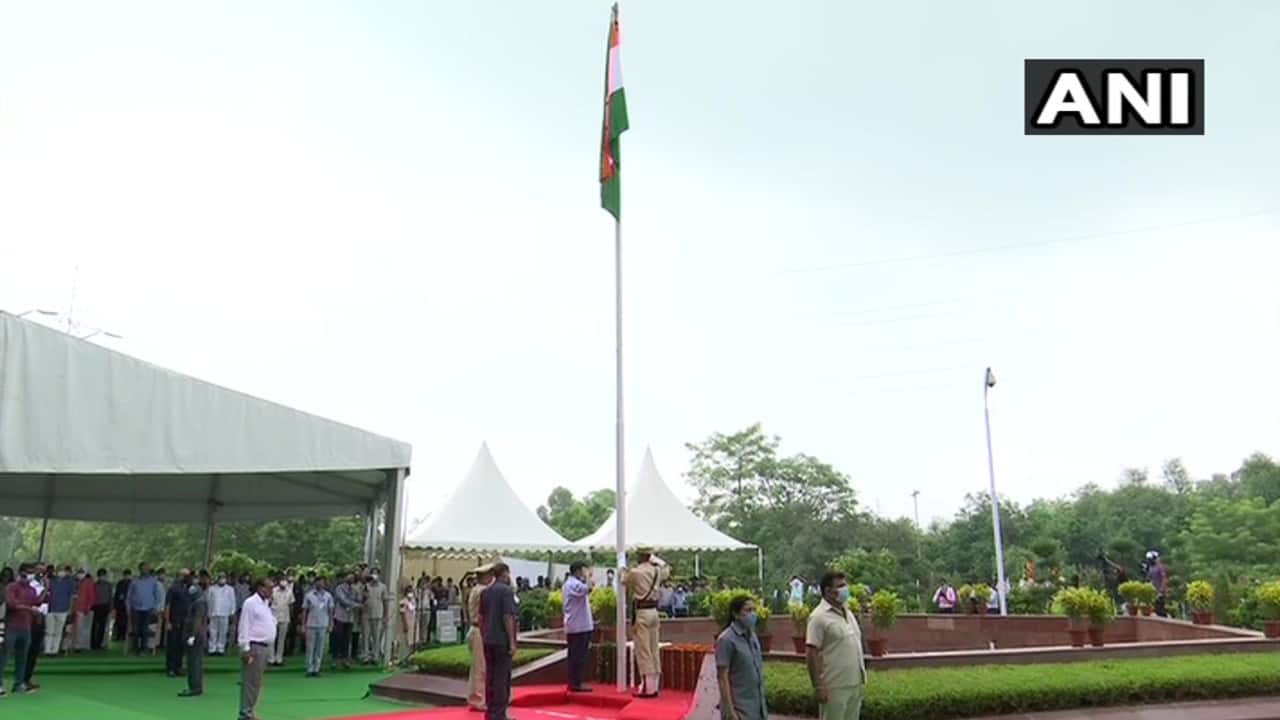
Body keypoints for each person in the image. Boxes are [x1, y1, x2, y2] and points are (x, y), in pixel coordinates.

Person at [805, 570, 867, 720]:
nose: (845, 589)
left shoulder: (848, 612)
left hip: (855, 682)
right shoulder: (818, 617)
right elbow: (811, 653)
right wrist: (818, 686)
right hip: (834, 686)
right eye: (840, 586)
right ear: (828, 591)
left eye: (845, 585)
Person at [623, 548, 671, 697]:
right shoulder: (657, 571)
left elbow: (623, 579)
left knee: (643, 650)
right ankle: (654, 686)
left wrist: (622, 567)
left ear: (639, 556)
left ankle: (648, 689)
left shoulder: (636, 572)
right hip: (654, 612)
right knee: (653, 648)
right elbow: (668, 569)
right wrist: (657, 561)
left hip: (642, 613)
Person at [716, 594, 767, 720]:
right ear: (736, 614)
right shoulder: (726, 640)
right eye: (748, 610)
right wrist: (730, 711)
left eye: (754, 610)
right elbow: (722, 677)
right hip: (739, 710)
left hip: (757, 708)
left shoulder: (753, 636)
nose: (753, 614)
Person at [1, 563, 45, 696]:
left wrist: (46, 589)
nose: (30, 575)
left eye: (32, 573)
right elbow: (12, 604)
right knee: (4, 656)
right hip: (11, 626)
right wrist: (30, 609)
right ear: (20, 573)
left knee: (22, 657)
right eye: (28, 572)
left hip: (26, 627)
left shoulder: (31, 589)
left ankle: (19, 683)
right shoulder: (11, 587)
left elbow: (37, 602)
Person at [480, 563, 518, 720]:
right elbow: (508, 616)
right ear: (505, 574)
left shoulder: (486, 591)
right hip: (501, 639)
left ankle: (490, 712)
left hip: (488, 639)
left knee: (490, 676)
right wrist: (512, 641)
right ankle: (499, 714)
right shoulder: (507, 591)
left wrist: (484, 635)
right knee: (502, 678)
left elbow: (481, 617)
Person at [237, 578, 277, 720]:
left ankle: (250, 711)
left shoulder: (266, 604)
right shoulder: (251, 603)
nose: (272, 591)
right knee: (250, 681)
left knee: (257, 681)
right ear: (261, 588)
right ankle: (245, 713)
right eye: (270, 588)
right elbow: (244, 626)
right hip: (254, 646)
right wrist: (245, 649)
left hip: (265, 647)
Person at [562, 561, 595, 693]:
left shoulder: (574, 583)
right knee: (577, 655)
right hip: (577, 626)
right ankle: (575, 682)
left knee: (578, 655)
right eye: (583, 570)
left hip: (580, 624)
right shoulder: (573, 584)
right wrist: (588, 577)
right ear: (577, 571)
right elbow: (588, 588)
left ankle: (575, 681)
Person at [466, 565, 494, 712]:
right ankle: (477, 700)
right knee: (480, 668)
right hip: (479, 630)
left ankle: (477, 698)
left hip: (475, 629)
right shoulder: (482, 591)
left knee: (478, 667)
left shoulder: (476, 589)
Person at [179, 571, 210, 698]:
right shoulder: (197, 601)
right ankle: (194, 686)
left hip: (196, 636)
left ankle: (195, 687)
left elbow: (198, 620)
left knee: (194, 662)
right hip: (194, 634)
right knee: (192, 661)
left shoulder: (199, 603)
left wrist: (192, 635)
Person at [126, 563, 163, 656]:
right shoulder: (134, 581)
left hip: (148, 608)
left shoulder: (153, 581)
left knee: (145, 630)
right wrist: (128, 607)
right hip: (135, 608)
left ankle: (144, 649)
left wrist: (155, 607)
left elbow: (158, 596)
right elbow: (129, 595)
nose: (145, 571)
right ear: (139, 570)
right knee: (135, 629)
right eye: (143, 569)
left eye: (146, 569)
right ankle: (135, 649)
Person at [302, 576, 335, 677]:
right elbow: (304, 611)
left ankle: (317, 668)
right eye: (318, 582)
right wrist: (303, 624)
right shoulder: (309, 595)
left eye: (322, 582)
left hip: (323, 624)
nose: (320, 584)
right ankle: (309, 668)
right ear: (315, 583)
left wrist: (331, 623)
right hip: (311, 624)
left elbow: (331, 611)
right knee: (310, 648)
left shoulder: (328, 596)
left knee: (320, 648)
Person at [164, 570, 193, 677]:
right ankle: (170, 668)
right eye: (185, 575)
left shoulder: (188, 589)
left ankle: (178, 667)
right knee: (173, 645)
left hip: (184, 621)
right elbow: (168, 605)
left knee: (181, 645)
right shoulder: (173, 589)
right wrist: (167, 621)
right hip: (174, 620)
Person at [44, 565, 76, 655]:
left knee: (58, 631)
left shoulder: (70, 582)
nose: (60, 573)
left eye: (62, 571)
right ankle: (47, 649)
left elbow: (72, 597)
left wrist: (70, 609)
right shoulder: (51, 581)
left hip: (63, 609)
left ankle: (54, 650)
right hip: (51, 609)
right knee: (49, 630)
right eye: (59, 571)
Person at [332, 570, 358, 670]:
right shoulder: (339, 588)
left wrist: (362, 597)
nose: (351, 579)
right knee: (338, 637)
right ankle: (335, 659)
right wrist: (356, 605)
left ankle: (345, 659)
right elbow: (343, 600)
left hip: (350, 617)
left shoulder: (354, 589)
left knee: (347, 639)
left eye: (352, 578)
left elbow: (357, 599)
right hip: (339, 616)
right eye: (349, 577)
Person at [361, 567, 388, 665]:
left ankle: (375, 656)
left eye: (376, 573)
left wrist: (386, 615)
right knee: (366, 636)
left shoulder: (383, 587)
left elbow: (385, 601)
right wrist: (364, 595)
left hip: (378, 614)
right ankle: (365, 656)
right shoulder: (366, 586)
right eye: (373, 573)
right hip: (366, 614)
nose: (374, 575)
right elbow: (362, 599)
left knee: (376, 636)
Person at [207, 574, 237, 655]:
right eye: (220, 578)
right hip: (213, 612)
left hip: (225, 613)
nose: (222, 580)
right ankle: (212, 649)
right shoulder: (212, 589)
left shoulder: (230, 589)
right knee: (212, 631)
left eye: (223, 578)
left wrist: (232, 612)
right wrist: (208, 613)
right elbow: (208, 601)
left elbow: (233, 601)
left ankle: (220, 649)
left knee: (223, 632)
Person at [270, 575, 293, 666]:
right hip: (273, 617)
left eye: (284, 580)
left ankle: (279, 658)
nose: (283, 582)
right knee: (272, 638)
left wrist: (290, 618)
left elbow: (291, 605)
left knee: (281, 639)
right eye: (281, 580)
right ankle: (271, 658)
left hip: (285, 617)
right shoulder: (273, 590)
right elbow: (268, 603)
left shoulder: (289, 592)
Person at [72, 568, 97, 652]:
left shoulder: (88, 583)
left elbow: (91, 596)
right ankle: (73, 645)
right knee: (74, 628)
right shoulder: (74, 582)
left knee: (81, 628)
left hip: (83, 608)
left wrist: (88, 607)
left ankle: (80, 645)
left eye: (81, 573)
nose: (79, 575)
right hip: (73, 608)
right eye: (79, 573)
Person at [92, 568, 113, 650]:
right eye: (101, 575)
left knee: (102, 626)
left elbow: (110, 597)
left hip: (105, 606)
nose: (102, 577)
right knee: (94, 626)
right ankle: (93, 643)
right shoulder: (95, 584)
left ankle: (100, 643)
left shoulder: (108, 585)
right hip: (96, 606)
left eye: (103, 575)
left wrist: (111, 607)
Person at [112, 569, 132, 643]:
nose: (126, 576)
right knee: (119, 620)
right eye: (125, 575)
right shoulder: (120, 583)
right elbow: (116, 594)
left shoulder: (131, 583)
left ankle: (124, 635)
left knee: (126, 621)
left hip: (127, 605)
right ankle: (118, 635)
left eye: (127, 575)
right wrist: (115, 605)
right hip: (120, 605)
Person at [398, 585, 416, 662]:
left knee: (412, 641)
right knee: (406, 641)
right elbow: (402, 613)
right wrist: (405, 624)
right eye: (409, 592)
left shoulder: (413, 601)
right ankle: (403, 657)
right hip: (406, 622)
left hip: (413, 622)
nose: (410, 593)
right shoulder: (403, 601)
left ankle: (410, 657)